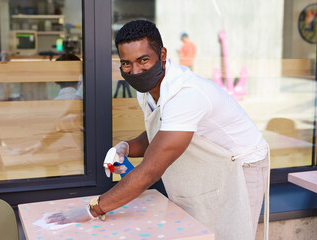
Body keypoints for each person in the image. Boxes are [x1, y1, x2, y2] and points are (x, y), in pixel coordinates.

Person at [47, 20, 270, 240]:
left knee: (230, 233)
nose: (135, 71)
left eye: (143, 60)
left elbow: (149, 171)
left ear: (162, 55)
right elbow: (161, 132)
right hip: (208, 168)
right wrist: (127, 147)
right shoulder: (147, 88)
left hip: (241, 168)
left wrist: (93, 209)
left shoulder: (186, 94)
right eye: (126, 63)